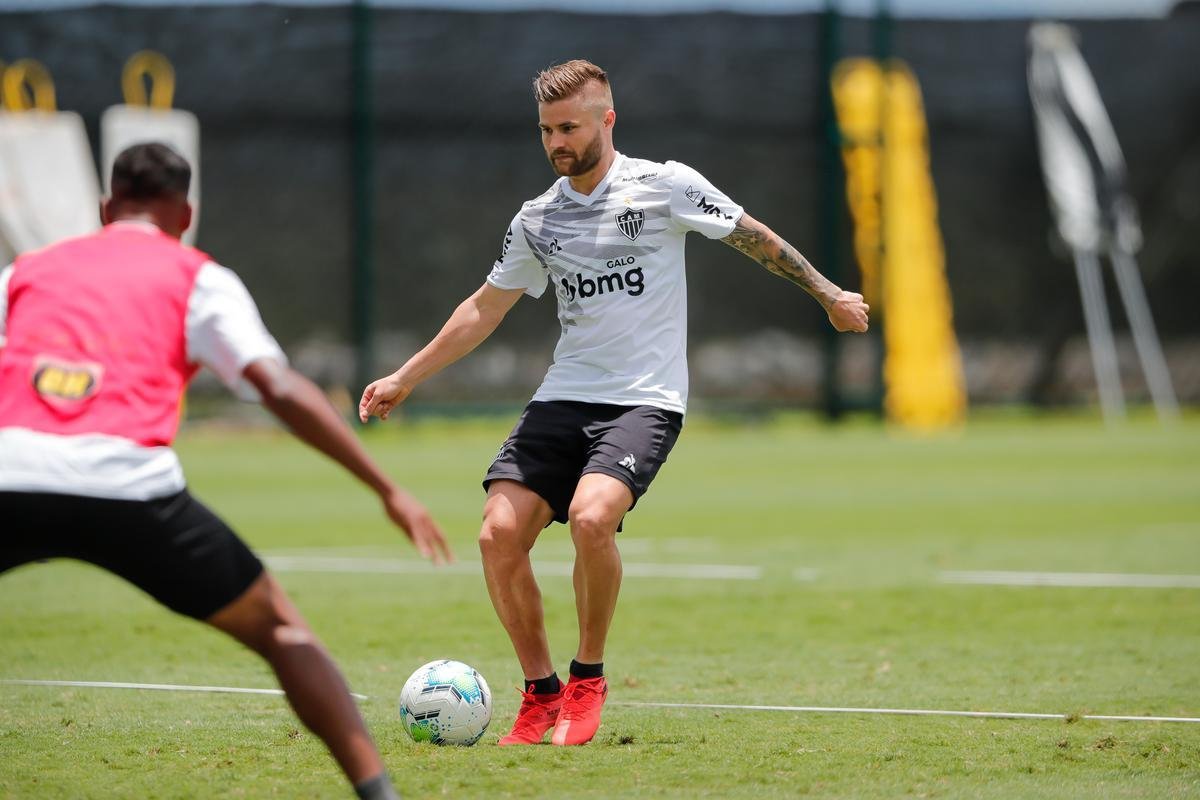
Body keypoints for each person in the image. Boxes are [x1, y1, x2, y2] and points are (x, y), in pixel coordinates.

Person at [359, 59, 869, 747]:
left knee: (592, 519)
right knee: (495, 535)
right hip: (563, 397)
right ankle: (540, 695)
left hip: (644, 401)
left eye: (568, 127)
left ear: (607, 119)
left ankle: (588, 678)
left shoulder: (665, 185)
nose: (556, 142)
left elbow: (756, 238)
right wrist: (405, 377)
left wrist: (831, 295)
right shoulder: (538, 219)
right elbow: (483, 309)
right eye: (545, 130)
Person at [0, 143, 453, 800]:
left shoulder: (24, 272)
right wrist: (386, 487)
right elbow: (280, 388)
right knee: (282, 631)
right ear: (185, 214)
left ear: (105, 208)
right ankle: (378, 794)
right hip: (132, 487)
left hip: (11, 475)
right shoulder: (198, 277)